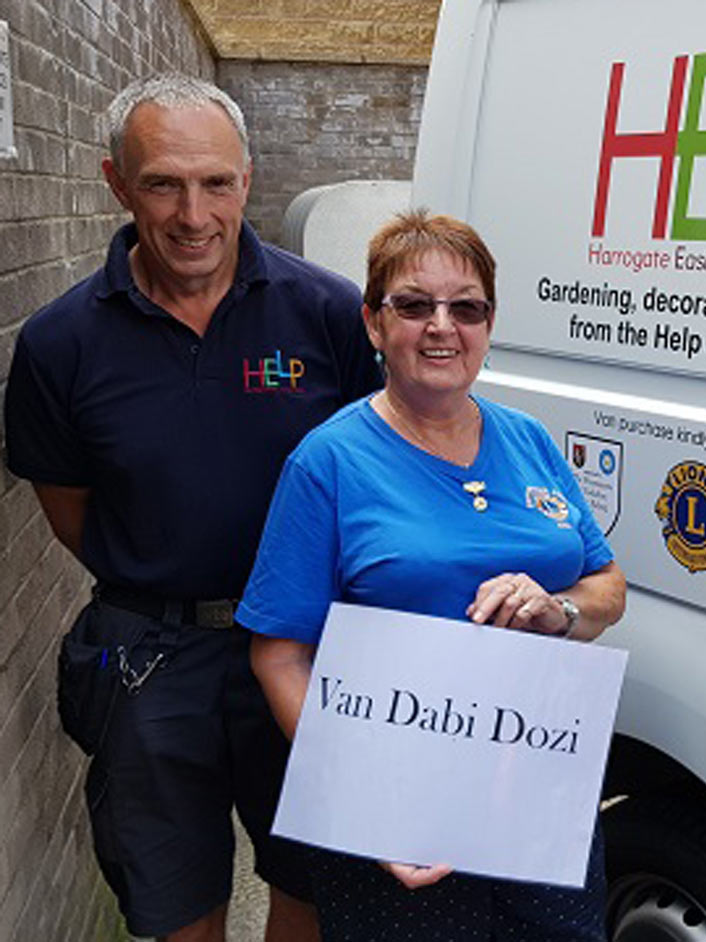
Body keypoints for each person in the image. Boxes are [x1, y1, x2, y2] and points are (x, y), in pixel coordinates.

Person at [3, 74, 383, 941]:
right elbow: (71, 514)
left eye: (216, 182)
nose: (193, 213)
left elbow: (380, 474)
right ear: (116, 183)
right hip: (150, 663)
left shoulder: (326, 314)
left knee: (314, 886)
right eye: (162, 183)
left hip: (303, 645)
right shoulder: (61, 345)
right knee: (174, 907)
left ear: (248, 179)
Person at [237, 210, 627, 941]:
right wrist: (363, 800)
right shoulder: (328, 463)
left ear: (488, 324)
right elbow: (279, 653)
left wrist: (559, 610)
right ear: (374, 324)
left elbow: (608, 587)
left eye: (467, 307)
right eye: (414, 305)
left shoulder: (529, 440)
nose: (442, 326)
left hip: (539, 800)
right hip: (402, 819)